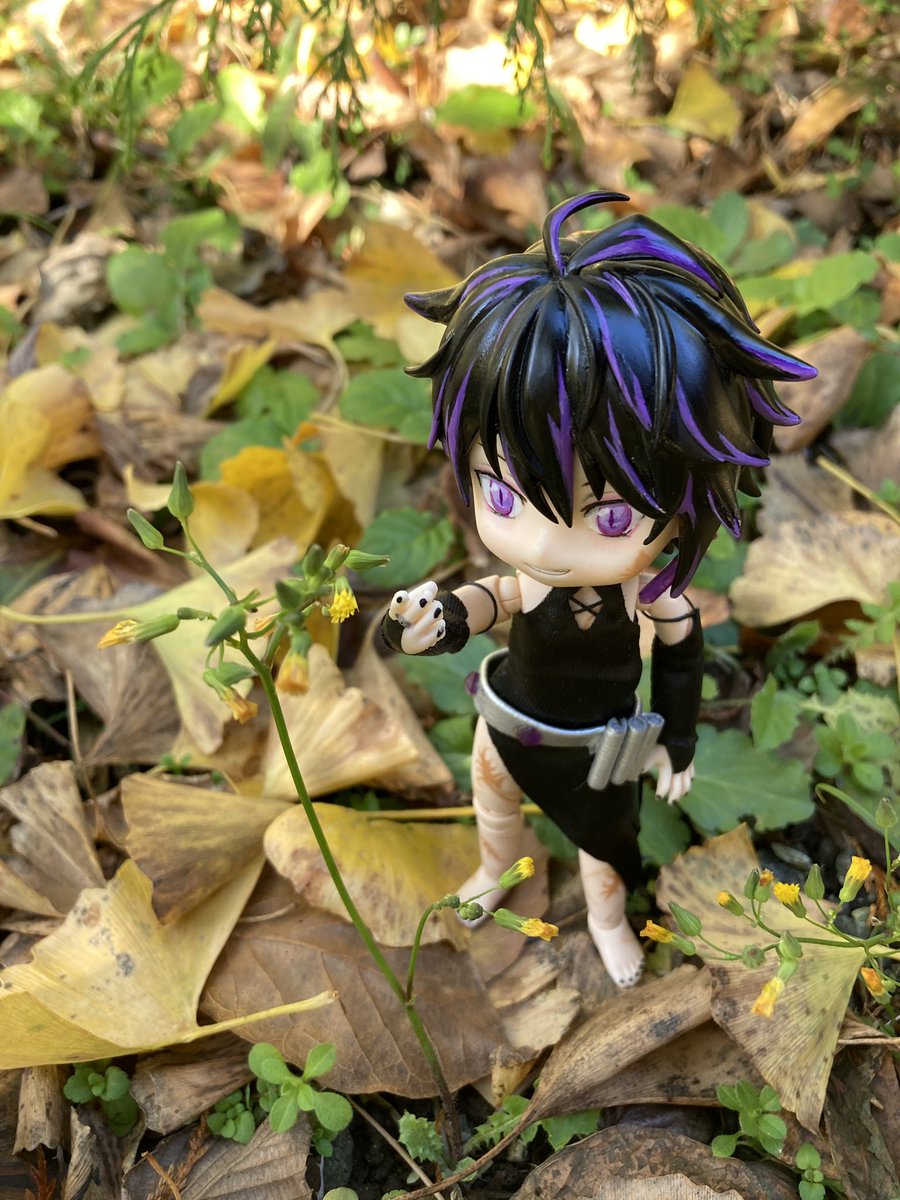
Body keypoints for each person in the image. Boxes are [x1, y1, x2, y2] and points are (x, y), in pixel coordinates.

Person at [382, 191, 816, 987]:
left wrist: (678, 742)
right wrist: (433, 622)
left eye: (611, 516)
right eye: (501, 494)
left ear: (684, 503)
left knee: (603, 848)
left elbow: (681, 652)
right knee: (493, 808)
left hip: (600, 747)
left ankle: (609, 921)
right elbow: (491, 600)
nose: (546, 545)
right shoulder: (530, 578)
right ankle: (494, 872)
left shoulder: (647, 596)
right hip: (507, 726)